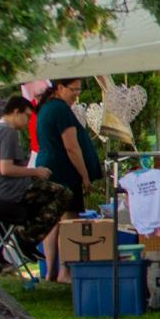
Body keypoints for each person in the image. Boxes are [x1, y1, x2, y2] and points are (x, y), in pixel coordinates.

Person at [0, 96, 72, 281]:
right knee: (63, 194)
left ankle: (27, 233)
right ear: (15, 112)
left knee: (48, 197)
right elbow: (6, 168)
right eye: (26, 116)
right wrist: (35, 171)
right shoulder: (7, 131)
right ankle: (26, 236)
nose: (27, 122)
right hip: (11, 192)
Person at [34, 78, 101, 217]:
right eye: (73, 89)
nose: (76, 94)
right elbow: (72, 147)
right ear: (60, 88)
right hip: (63, 174)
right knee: (68, 219)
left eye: (79, 89)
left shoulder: (47, 107)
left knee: (53, 221)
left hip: (49, 169)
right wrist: (85, 176)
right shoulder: (60, 109)